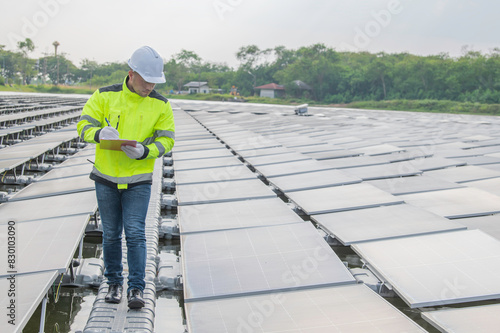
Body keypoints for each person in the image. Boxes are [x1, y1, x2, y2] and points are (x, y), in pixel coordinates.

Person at [77, 46, 175, 309]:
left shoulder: (161, 105)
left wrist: (146, 151)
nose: (150, 86)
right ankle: (113, 284)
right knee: (110, 234)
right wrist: (99, 134)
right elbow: (83, 124)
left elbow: (167, 139)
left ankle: (136, 289)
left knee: (135, 233)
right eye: (146, 81)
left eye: (155, 82)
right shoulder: (105, 96)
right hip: (106, 177)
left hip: (138, 179)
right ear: (131, 73)